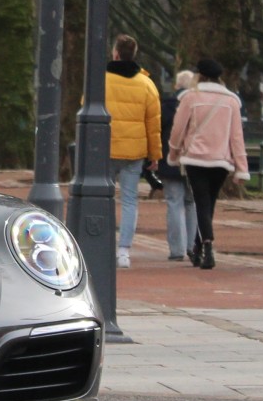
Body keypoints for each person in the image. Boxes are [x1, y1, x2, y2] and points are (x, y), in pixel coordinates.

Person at [166, 58, 249, 270]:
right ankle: (198, 247)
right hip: (221, 160)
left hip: (196, 158)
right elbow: (237, 137)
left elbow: (177, 131)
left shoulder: (190, 97)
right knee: (208, 203)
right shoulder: (231, 101)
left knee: (201, 202)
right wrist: (241, 168)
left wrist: (173, 153)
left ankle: (207, 246)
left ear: (199, 75)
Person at [104, 34, 162, 269]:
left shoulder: (100, 80)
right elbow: (153, 123)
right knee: (130, 201)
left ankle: (103, 243)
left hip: (105, 149)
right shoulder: (146, 84)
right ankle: (124, 251)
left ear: (115, 53)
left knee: (103, 198)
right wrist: (155, 155)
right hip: (134, 152)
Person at [157, 70, 199, 262]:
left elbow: (158, 131)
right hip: (194, 160)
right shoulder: (199, 105)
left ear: (176, 86)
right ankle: (192, 245)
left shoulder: (167, 106)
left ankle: (177, 249)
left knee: (174, 203)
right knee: (192, 203)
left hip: (171, 159)